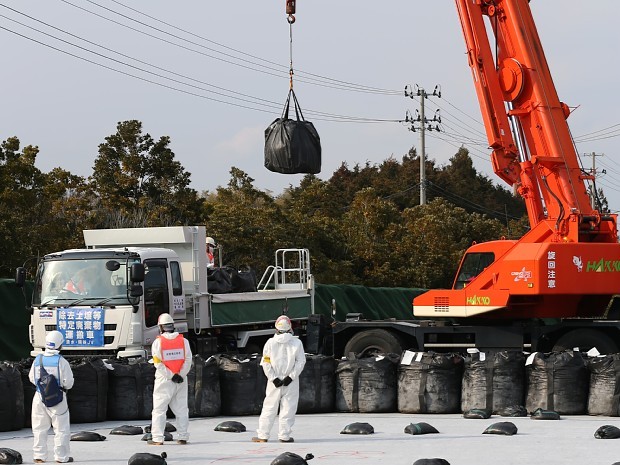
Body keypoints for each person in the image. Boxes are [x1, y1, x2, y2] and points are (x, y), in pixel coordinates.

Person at [252, 315, 306, 443]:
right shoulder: (297, 343)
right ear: (290, 328)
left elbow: (266, 362)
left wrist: (274, 378)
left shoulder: (270, 343)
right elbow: (301, 362)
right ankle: (284, 436)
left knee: (269, 407)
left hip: (273, 382)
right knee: (288, 408)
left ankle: (263, 436)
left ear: (276, 327)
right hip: (290, 382)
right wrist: (290, 377)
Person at [29, 330, 75, 464]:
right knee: (61, 429)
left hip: (39, 396)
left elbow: (32, 378)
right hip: (57, 398)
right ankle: (61, 457)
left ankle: (39, 456)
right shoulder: (61, 361)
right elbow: (69, 382)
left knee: (38, 428)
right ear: (60, 345)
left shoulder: (38, 359)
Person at [149, 313, 193, 446]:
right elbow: (188, 359)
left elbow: (157, 363)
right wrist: (180, 374)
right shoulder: (183, 341)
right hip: (181, 380)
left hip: (164, 380)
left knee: (159, 409)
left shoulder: (158, 343)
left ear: (160, 327)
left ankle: (157, 438)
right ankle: (183, 437)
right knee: (181, 409)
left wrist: (171, 375)